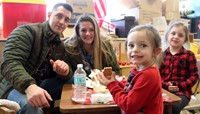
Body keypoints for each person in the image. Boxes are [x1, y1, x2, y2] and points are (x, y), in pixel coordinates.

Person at [0, 3, 73, 114]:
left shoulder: (59, 45)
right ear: (49, 15)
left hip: (40, 84)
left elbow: (67, 71)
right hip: (14, 86)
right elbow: (9, 63)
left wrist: (65, 70)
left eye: (66, 19)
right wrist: (29, 86)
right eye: (59, 16)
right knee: (32, 106)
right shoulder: (26, 32)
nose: (62, 22)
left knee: (74, 80)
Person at [96, 25, 163, 114]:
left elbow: (128, 105)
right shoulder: (137, 69)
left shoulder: (148, 75)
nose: (135, 50)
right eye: (131, 45)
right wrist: (114, 82)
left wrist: (111, 85)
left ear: (155, 51)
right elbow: (129, 90)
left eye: (143, 45)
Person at [159, 22, 199, 114]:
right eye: (173, 33)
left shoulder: (189, 55)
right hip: (163, 90)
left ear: (185, 40)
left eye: (180, 35)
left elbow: (194, 76)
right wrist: (166, 85)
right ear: (167, 36)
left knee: (173, 107)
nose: (176, 37)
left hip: (182, 93)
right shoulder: (161, 55)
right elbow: (157, 75)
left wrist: (179, 86)